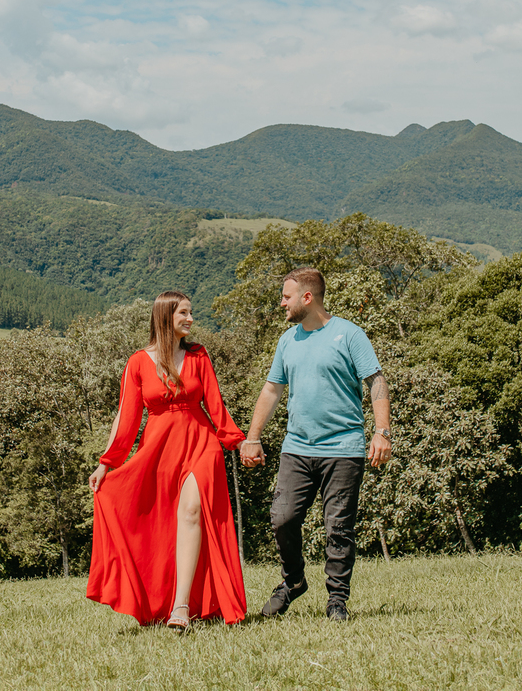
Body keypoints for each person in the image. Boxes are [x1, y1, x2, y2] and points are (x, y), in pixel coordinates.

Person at [86, 291, 248, 630]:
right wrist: (106, 462)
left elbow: (215, 405)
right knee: (161, 526)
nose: (190, 319)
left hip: (201, 443)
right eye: (183, 313)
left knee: (191, 512)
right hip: (159, 450)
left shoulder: (199, 355)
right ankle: (161, 600)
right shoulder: (137, 362)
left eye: (190, 312)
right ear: (165, 317)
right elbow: (126, 418)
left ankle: (181, 607)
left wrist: (238, 440)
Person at [239, 267, 392, 621]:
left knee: (338, 527)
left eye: (286, 297)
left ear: (307, 298)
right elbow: (272, 390)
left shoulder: (349, 334)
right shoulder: (287, 340)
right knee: (282, 518)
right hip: (297, 448)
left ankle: (337, 600)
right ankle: (293, 581)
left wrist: (381, 432)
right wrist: (252, 438)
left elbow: (376, 381)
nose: (282, 303)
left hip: (343, 449)